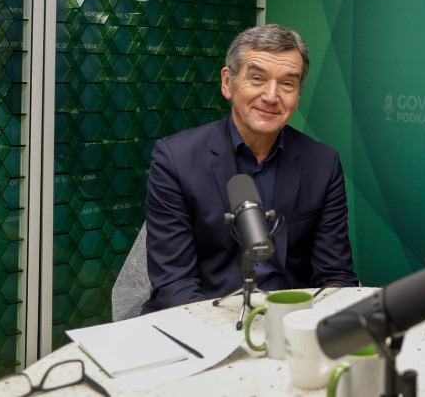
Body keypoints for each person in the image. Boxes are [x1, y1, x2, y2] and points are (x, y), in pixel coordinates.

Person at [141, 24, 358, 313]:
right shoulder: (176, 159)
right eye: (257, 78)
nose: (271, 96)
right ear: (227, 83)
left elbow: (335, 277)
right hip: (207, 315)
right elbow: (174, 283)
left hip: (290, 320)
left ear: (297, 97)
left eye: (287, 84)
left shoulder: (322, 164)